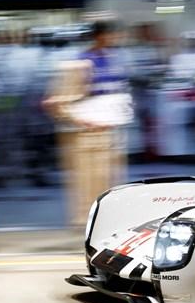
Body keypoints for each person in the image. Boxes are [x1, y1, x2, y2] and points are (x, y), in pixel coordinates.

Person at [43, 21, 132, 228]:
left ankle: (108, 225)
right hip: (86, 135)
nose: (115, 39)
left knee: (109, 182)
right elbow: (55, 102)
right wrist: (80, 120)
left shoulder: (114, 61)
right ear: (99, 36)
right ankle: (87, 225)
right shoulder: (81, 63)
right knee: (87, 183)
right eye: (111, 34)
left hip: (110, 133)